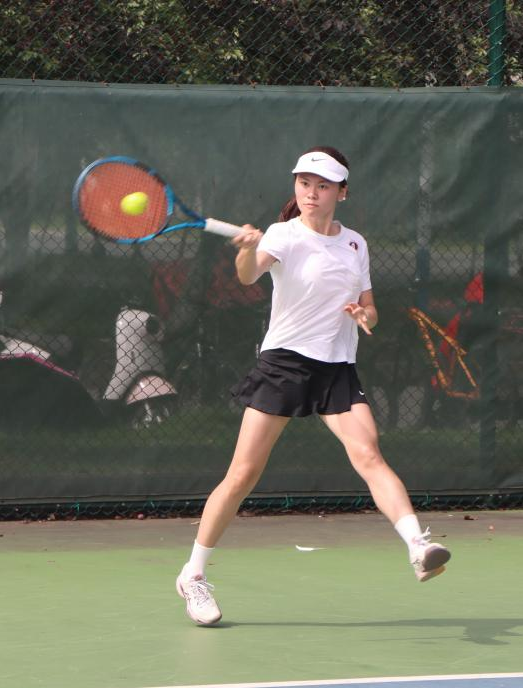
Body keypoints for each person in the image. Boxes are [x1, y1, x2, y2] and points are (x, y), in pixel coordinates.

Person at [174, 147, 452, 626]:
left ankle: (417, 546)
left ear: (342, 192)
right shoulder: (283, 234)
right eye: (304, 183)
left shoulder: (355, 245)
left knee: (369, 455)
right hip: (284, 363)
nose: (311, 193)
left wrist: (365, 316)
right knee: (242, 475)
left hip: (336, 367)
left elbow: (370, 307)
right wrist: (246, 248)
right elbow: (248, 276)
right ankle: (193, 575)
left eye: (322, 186)